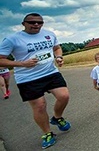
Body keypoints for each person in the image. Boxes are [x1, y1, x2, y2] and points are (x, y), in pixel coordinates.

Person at [0, 12, 71, 149]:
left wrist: (58, 57)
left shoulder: (49, 34)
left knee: (64, 96)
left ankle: (57, 118)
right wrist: (22, 64)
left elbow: (57, 48)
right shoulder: (12, 39)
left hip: (50, 73)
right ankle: (47, 133)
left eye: (40, 22)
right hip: (28, 78)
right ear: (24, 24)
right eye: (32, 22)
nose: (36, 24)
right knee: (40, 106)